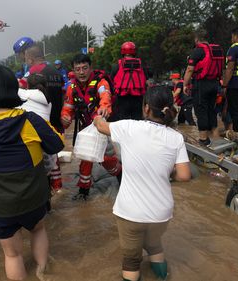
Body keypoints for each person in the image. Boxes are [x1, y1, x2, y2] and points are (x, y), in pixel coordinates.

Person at [0, 66, 64, 280]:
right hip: (32, 196)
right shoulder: (31, 120)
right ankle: (43, 272)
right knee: (38, 229)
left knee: (12, 254)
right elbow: (57, 144)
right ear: (13, 90)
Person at [93, 86, 191, 281]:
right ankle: (163, 277)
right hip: (161, 213)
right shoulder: (176, 137)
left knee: (131, 259)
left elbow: (100, 126)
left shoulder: (130, 127)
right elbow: (184, 175)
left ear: (146, 108)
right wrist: (164, 174)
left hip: (131, 212)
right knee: (154, 245)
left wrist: (99, 115)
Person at [61, 54, 122, 200]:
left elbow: (105, 97)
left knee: (105, 157)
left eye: (84, 68)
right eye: (78, 69)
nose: (81, 72)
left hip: (102, 126)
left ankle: (121, 175)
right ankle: (83, 191)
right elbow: (68, 108)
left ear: (91, 68)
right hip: (86, 128)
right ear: (73, 71)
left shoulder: (101, 83)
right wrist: (65, 118)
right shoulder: (72, 88)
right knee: (85, 157)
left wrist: (104, 109)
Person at [23, 45, 65, 192]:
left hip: (40, 123)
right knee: (54, 156)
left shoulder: (33, 72)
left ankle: (45, 190)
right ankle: (58, 186)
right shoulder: (56, 72)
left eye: (26, 59)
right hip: (56, 119)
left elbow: (21, 87)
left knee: (40, 159)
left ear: (30, 58)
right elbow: (63, 94)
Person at [183, 29, 225, 146]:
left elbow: (190, 69)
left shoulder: (198, 50)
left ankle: (203, 140)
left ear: (197, 39)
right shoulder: (216, 50)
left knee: (200, 110)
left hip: (201, 84)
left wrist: (185, 84)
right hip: (214, 84)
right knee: (211, 110)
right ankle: (216, 138)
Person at [111, 41, 148, 121]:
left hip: (122, 99)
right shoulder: (142, 66)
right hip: (138, 99)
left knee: (122, 123)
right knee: (137, 122)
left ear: (122, 52)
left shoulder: (116, 66)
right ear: (134, 52)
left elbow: (112, 81)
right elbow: (147, 78)